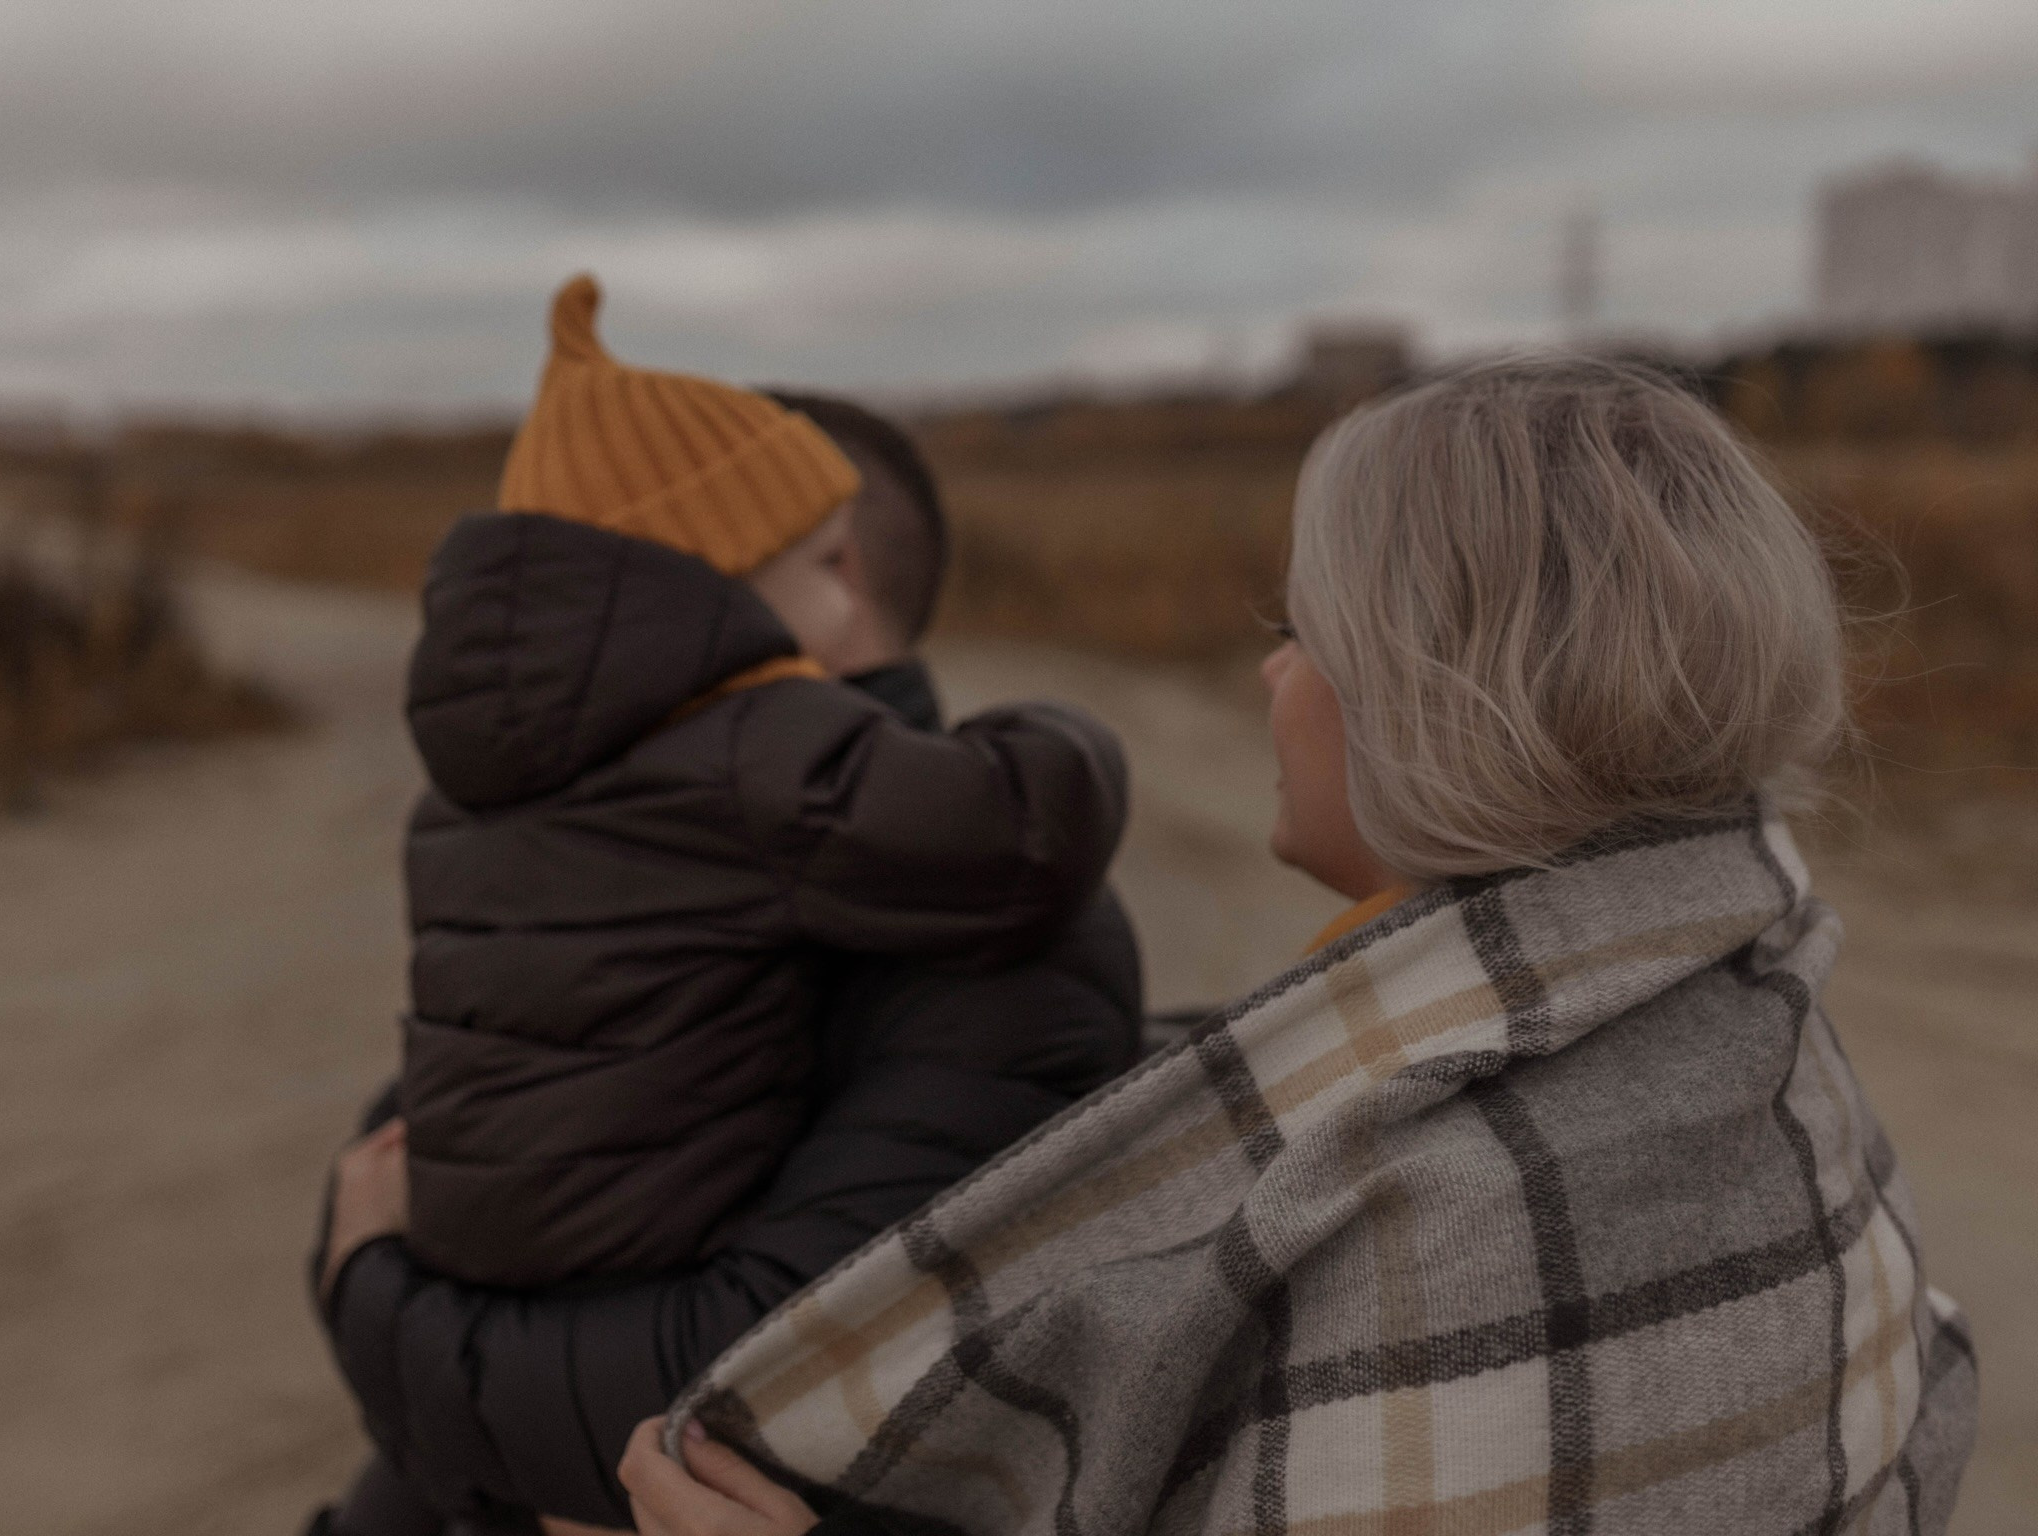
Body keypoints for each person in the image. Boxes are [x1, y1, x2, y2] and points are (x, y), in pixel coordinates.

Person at [620, 357, 1980, 1536]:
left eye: (1301, 632)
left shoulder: (1437, 1221)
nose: (1272, 674)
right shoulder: (1752, 1009)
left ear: (1435, 690)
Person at [308, 342, 1145, 1531]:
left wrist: (369, 1293)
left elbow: (733, 1392)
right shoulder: (598, 833)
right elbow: (435, 1166)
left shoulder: (1005, 943)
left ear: (837, 574)